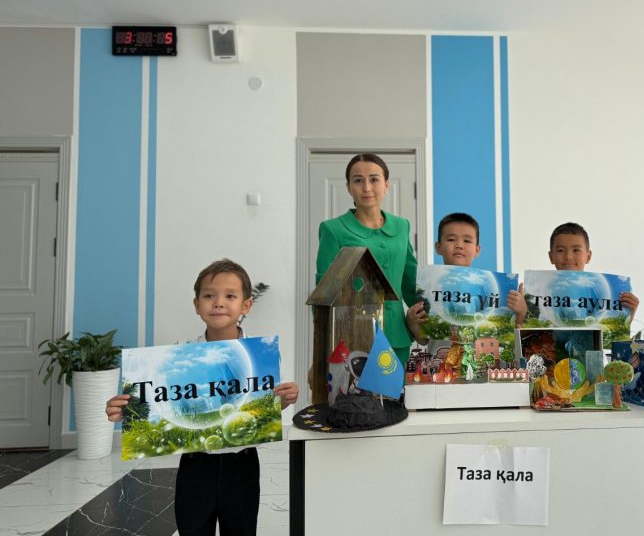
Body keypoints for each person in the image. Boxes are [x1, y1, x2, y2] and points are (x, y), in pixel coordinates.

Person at [105, 259, 299, 536]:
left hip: (242, 464)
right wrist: (127, 411)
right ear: (197, 305)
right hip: (195, 465)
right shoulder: (177, 359)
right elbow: (162, 403)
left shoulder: (262, 357)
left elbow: (262, 408)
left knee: (242, 530)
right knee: (193, 529)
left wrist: (283, 400)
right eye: (209, 296)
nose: (219, 303)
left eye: (230, 296)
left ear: (246, 305)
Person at [316, 153, 421, 363]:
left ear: (386, 185)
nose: (366, 187)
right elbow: (324, 296)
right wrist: (322, 350)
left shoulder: (401, 227)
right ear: (348, 187)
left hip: (396, 336)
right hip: (353, 339)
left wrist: (434, 318)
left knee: (398, 387)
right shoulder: (333, 230)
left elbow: (411, 283)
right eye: (358, 181)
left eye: (374, 179)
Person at [406, 212, 527, 328]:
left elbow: (511, 330)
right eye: (451, 239)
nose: (459, 245)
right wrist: (412, 322)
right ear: (438, 247)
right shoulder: (428, 285)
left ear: (477, 250)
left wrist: (521, 311)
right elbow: (423, 338)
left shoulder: (484, 284)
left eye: (467, 241)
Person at [548, 221, 639, 319]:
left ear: (588, 256)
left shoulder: (599, 291)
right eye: (560, 250)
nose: (568, 257)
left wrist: (629, 315)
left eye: (576, 250)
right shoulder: (543, 290)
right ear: (551, 257)